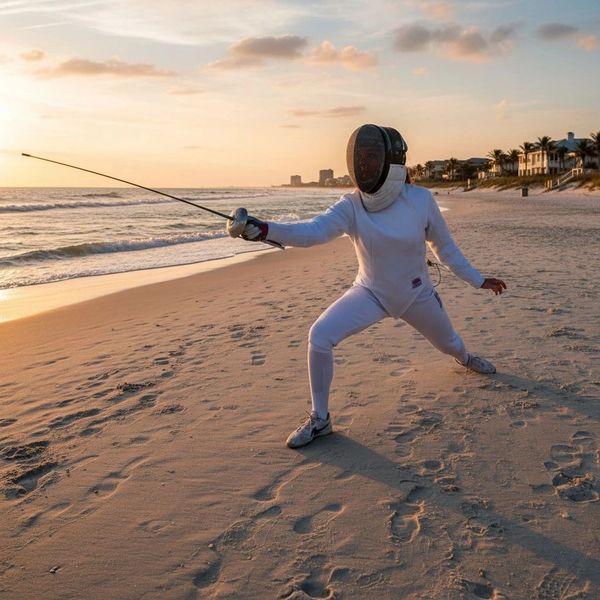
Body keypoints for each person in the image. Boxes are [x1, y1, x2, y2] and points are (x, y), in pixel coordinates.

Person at [228, 124, 506, 449]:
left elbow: (444, 249)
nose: (365, 165)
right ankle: (321, 419)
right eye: (361, 158)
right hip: (371, 293)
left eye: (372, 157)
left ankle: (465, 358)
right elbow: (312, 232)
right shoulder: (351, 205)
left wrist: (478, 280)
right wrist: (262, 230)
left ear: (391, 161)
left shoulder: (420, 200)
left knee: (451, 345)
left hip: (417, 294)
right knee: (319, 336)